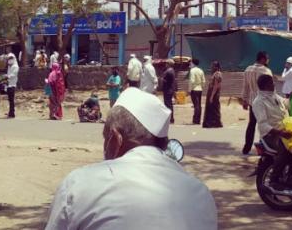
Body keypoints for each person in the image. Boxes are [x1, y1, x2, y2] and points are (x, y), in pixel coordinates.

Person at [46, 87, 218, 230]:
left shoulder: (79, 184)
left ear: (115, 139)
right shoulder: (201, 194)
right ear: (164, 142)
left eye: (105, 138)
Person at [252, 74, 292, 190]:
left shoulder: (274, 95)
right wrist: (281, 133)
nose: (274, 84)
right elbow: (263, 124)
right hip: (271, 135)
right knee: (286, 148)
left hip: (285, 130)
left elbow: (285, 103)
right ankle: (274, 179)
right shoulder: (258, 102)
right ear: (265, 85)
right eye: (271, 82)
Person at [241, 51, 272, 155]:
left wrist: (244, 100)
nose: (268, 60)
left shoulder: (248, 69)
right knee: (264, 125)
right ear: (263, 59)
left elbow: (245, 86)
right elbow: (270, 88)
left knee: (251, 124)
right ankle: (263, 149)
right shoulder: (266, 71)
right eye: (267, 58)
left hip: (252, 101)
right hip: (263, 101)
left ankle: (246, 148)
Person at [203, 61, 223, 128]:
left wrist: (212, 96)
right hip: (211, 92)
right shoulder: (214, 74)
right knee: (210, 108)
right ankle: (210, 123)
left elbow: (216, 86)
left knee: (214, 108)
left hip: (214, 93)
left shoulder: (217, 74)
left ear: (217, 67)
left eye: (213, 66)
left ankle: (216, 123)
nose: (212, 67)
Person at [188, 58, 205, 124]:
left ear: (193, 63)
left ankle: (195, 120)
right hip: (199, 89)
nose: (190, 63)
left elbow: (192, 81)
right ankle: (198, 120)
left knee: (196, 105)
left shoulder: (192, 71)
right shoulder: (201, 70)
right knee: (199, 105)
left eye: (191, 62)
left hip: (194, 89)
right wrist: (201, 87)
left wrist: (189, 90)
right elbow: (203, 81)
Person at [162, 59, 176, 124]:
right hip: (170, 90)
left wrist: (161, 79)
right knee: (169, 105)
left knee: (168, 105)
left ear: (169, 64)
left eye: (167, 63)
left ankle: (170, 118)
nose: (165, 64)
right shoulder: (172, 71)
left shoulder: (168, 71)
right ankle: (170, 118)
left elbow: (166, 81)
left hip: (167, 90)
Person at [6, 53, 19, 118]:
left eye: (11, 58)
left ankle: (12, 113)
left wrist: (7, 77)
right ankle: (10, 112)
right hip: (8, 84)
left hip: (12, 85)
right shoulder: (9, 66)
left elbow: (13, 75)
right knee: (10, 100)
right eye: (9, 58)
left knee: (11, 100)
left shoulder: (15, 66)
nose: (9, 60)